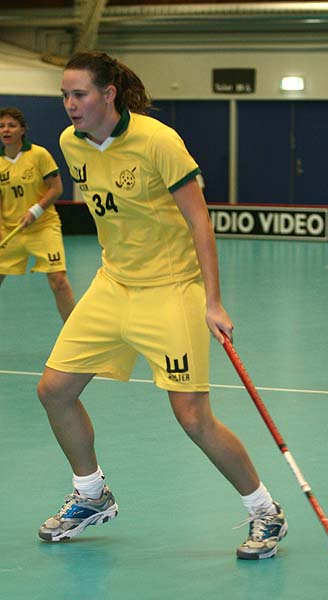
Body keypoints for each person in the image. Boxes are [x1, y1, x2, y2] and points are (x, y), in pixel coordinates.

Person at [37, 51, 287, 560]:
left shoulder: (158, 140)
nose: (70, 104)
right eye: (64, 95)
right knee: (54, 391)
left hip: (171, 289)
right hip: (113, 284)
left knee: (193, 417)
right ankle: (91, 495)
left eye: (79, 94)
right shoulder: (70, 142)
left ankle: (265, 511)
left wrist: (212, 301)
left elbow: (199, 221)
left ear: (108, 93)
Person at [0, 107, 75, 322]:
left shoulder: (38, 155)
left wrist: (35, 211)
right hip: (11, 231)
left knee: (58, 281)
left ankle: (75, 332)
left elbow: (56, 188)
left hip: (43, 227)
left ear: (22, 130)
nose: (6, 130)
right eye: (2, 126)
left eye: (12, 125)